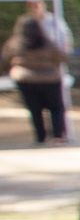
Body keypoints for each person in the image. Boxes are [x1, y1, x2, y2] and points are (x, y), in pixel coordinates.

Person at [5, 11, 70, 144]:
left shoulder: (15, 43)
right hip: (50, 78)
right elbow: (60, 57)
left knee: (35, 109)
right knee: (56, 107)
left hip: (26, 79)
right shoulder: (46, 42)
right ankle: (58, 134)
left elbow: (5, 59)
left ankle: (41, 136)